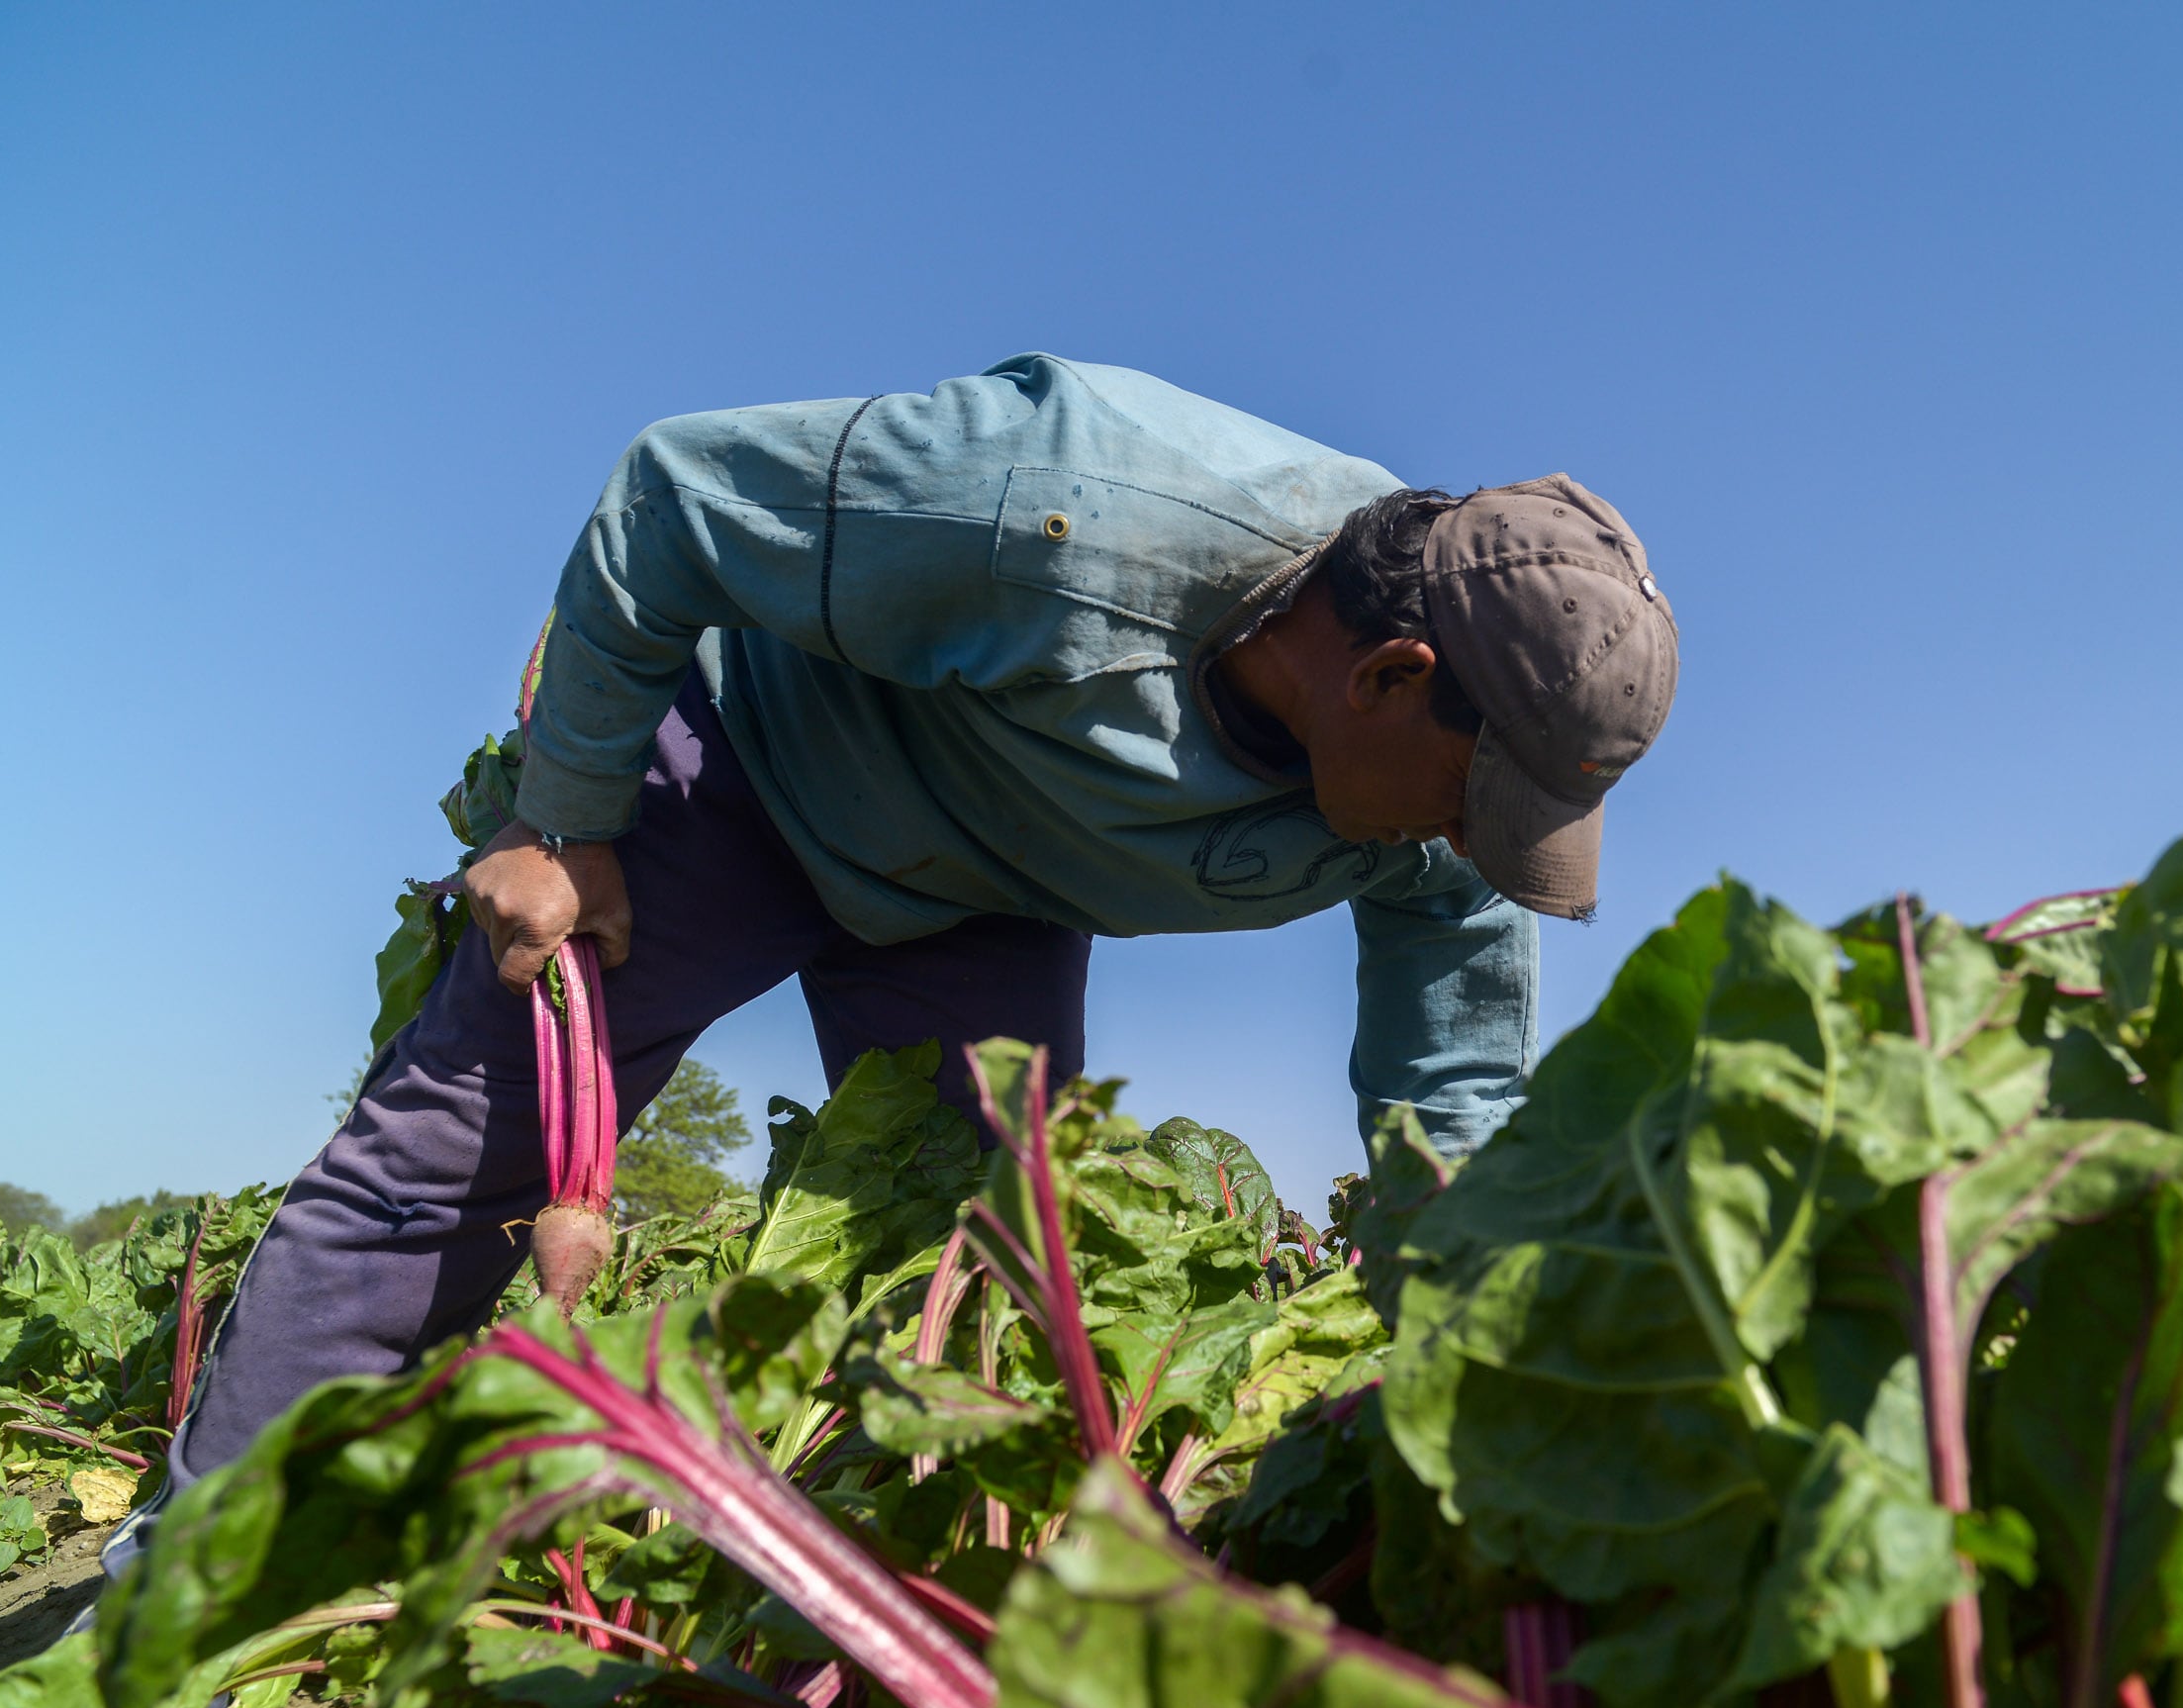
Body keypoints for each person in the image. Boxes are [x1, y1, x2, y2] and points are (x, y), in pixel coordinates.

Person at [123, 353, 1677, 1572]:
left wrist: (1477, 1353)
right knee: (457, 1160)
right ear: (1392, 676)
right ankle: (185, 1583)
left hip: (989, 905)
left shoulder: (1438, 835)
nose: (1483, 849)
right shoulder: (1066, 501)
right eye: (1482, 801)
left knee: (983, 1274)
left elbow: (1450, 1102)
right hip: (749, 776)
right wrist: (565, 816)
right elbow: (672, 495)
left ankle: (850, 1586)